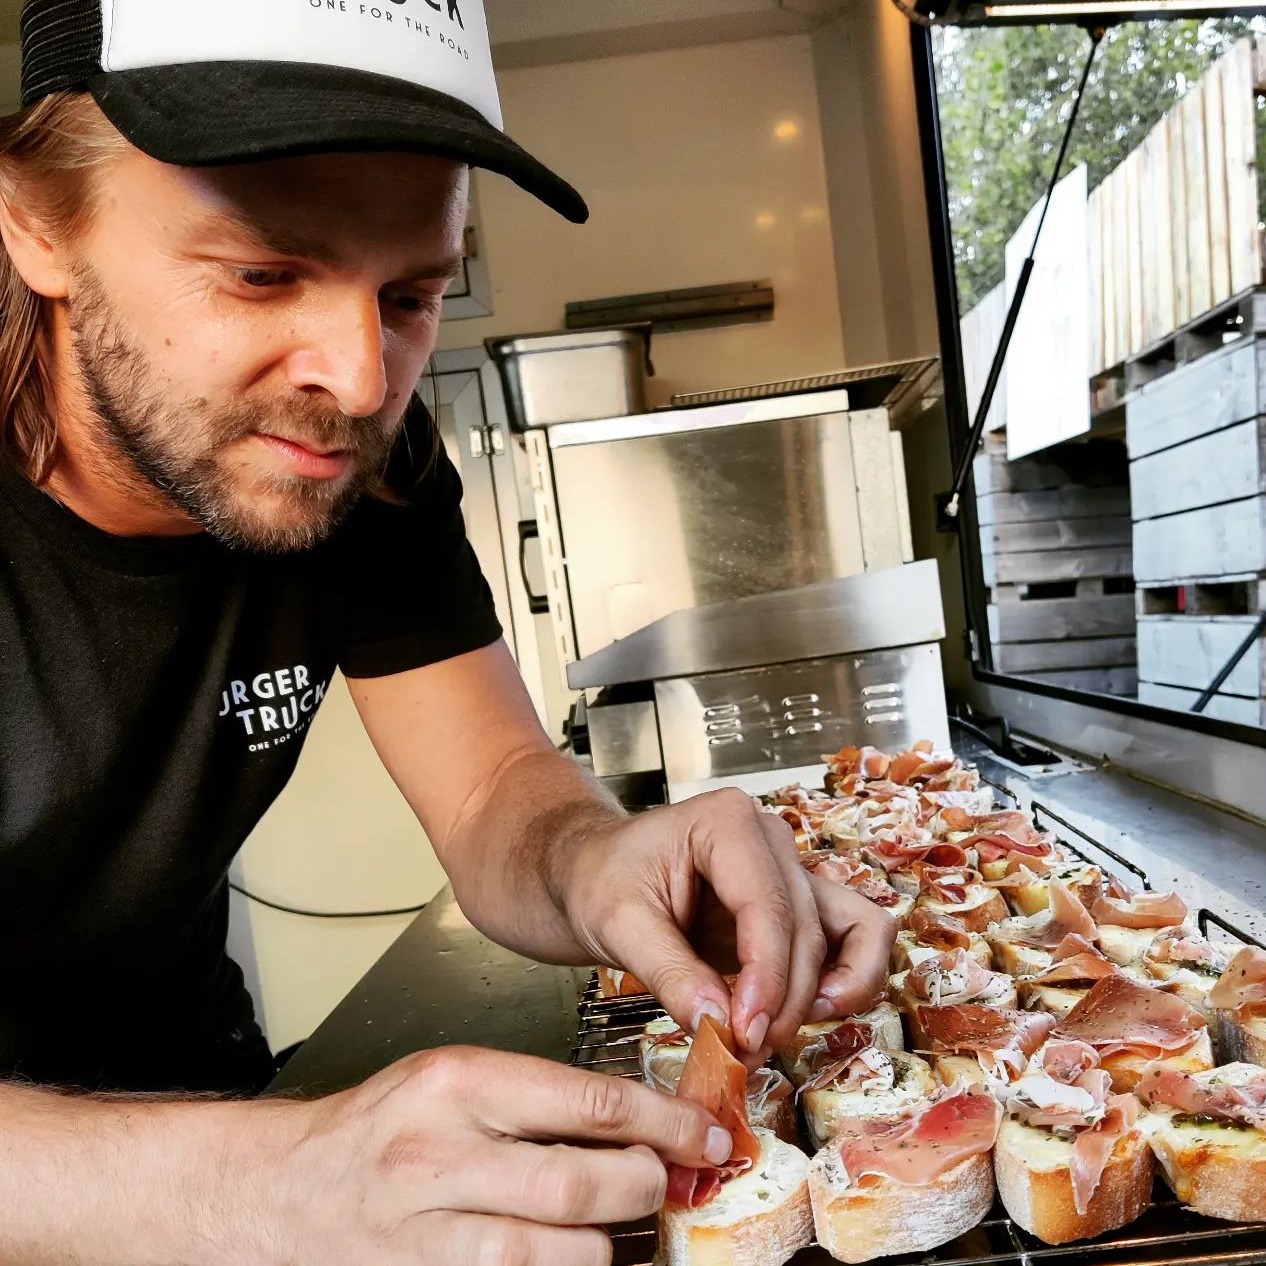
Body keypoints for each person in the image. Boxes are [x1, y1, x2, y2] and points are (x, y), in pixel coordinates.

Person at [0, 0, 895, 1260]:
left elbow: (489, 788)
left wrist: (596, 860)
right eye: (263, 273)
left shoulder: (357, 458)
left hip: (200, 1093)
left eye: (412, 294)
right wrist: (265, 1184)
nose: (362, 382)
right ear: (38, 220)